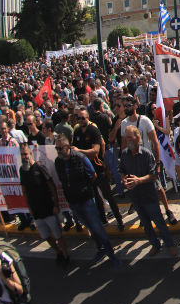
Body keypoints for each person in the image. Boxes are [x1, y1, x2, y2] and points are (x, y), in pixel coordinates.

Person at [53, 135, 122, 267]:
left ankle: (111, 254)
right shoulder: (58, 162)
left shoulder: (80, 158)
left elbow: (93, 176)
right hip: (73, 203)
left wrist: (85, 190)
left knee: (98, 229)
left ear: (67, 147)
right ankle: (100, 250)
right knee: (90, 228)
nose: (58, 150)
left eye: (60, 148)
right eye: (56, 148)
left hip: (86, 201)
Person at [119, 126, 178, 257]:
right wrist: (124, 180)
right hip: (135, 197)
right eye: (126, 136)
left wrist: (138, 181)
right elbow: (121, 171)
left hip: (149, 196)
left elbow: (153, 174)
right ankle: (155, 244)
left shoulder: (146, 154)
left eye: (130, 136)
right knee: (146, 224)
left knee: (160, 222)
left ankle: (169, 244)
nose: (128, 139)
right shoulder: (124, 154)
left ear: (137, 137)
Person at [18, 143, 70, 268]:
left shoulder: (39, 167)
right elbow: (24, 190)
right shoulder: (22, 170)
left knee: (58, 235)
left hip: (48, 209)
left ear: (30, 153)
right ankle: (58, 252)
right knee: (46, 236)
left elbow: (52, 186)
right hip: (36, 213)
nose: (24, 157)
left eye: (25, 154)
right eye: (22, 155)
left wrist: (56, 205)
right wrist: (29, 208)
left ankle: (66, 256)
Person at [73, 106, 124, 230]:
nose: (80, 120)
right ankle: (103, 219)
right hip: (85, 170)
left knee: (107, 195)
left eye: (82, 118)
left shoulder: (93, 130)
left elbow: (95, 151)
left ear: (88, 118)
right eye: (78, 118)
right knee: (95, 195)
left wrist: (78, 151)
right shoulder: (77, 132)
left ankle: (119, 219)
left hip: (97, 168)